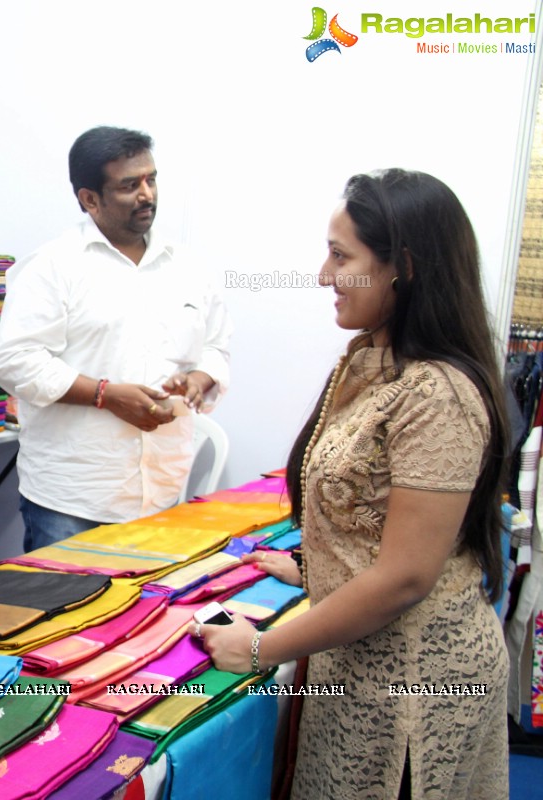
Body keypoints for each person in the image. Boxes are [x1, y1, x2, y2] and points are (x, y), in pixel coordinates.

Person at [197, 169, 509, 799]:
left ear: (404, 268)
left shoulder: (438, 394)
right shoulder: (374, 360)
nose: (322, 276)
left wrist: (261, 649)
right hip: (359, 660)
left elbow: (405, 576)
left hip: (415, 685)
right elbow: (378, 512)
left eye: (342, 257)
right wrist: (321, 567)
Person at [0, 126, 232, 551]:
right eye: (129, 185)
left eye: (151, 180)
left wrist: (199, 379)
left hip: (162, 489)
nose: (147, 195)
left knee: (146, 616)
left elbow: (216, 346)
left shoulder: (188, 268)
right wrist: (105, 395)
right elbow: (13, 360)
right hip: (74, 498)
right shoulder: (52, 267)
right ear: (90, 199)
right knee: (63, 615)